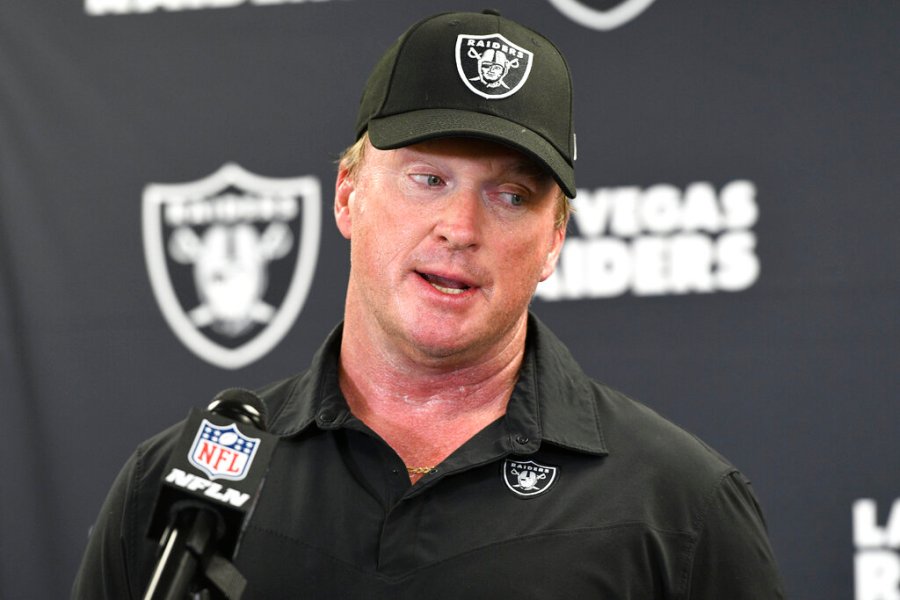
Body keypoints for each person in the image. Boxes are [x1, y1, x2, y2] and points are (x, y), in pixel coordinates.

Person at [73, 10, 785, 598]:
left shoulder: (680, 507)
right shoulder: (178, 487)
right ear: (348, 195)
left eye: (511, 196)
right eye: (427, 178)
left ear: (554, 240)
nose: (462, 228)